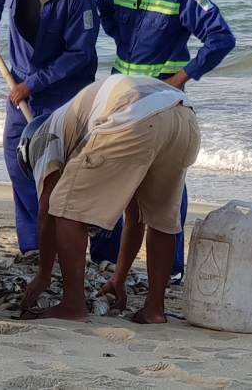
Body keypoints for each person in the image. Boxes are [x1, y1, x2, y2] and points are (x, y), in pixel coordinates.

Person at [94, 0, 236, 279]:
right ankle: (104, 258)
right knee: (111, 172)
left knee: (166, 183)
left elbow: (221, 39)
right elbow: (104, 15)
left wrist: (182, 77)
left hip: (161, 99)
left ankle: (171, 268)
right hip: (120, 95)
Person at [16, 74, 201, 323]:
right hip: (183, 113)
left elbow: (48, 210)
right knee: (160, 217)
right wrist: (119, 278)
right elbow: (135, 217)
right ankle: (154, 310)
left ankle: (73, 305)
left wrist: (44, 275)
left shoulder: (40, 139)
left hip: (134, 110)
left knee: (66, 207)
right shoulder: (74, 125)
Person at [0, 0, 99, 256]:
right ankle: (34, 246)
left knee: (60, 168)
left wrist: (33, 84)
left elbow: (79, 55)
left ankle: (69, 242)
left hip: (66, 90)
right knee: (18, 158)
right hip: (21, 81)